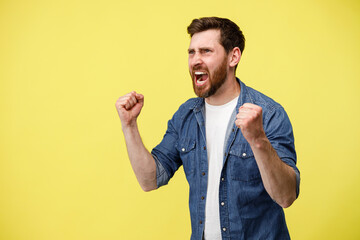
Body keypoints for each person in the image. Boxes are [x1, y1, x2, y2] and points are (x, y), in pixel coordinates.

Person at [115, 17, 300, 240]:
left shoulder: (268, 114)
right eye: (191, 52)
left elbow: (286, 196)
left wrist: (258, 139)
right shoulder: (186, 116)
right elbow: (150, 179)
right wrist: (129, 125)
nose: (195, 60)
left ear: (233, 56)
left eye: (206, 51)